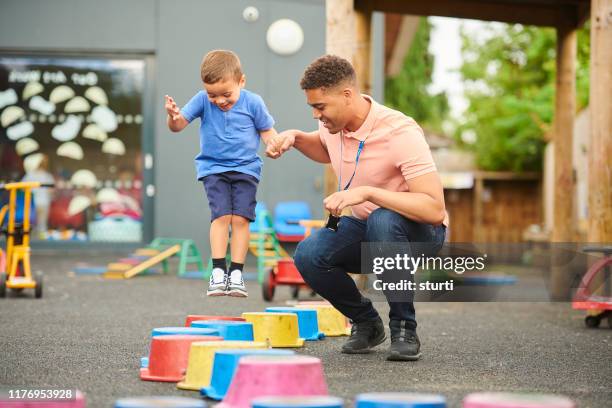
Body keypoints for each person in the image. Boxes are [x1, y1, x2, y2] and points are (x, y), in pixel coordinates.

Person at [272, 55, 448, 361]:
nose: (316, 115)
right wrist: (297, 139)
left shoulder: (399, 132)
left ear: (347, 95)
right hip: (372, 230)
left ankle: (404, 327)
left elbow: (433, 209)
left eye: (320, 107)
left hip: (420, 233)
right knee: (310, 254)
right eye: (312, 107)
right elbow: (324, 147)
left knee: (382, 218)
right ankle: (367, 323)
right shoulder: (332, 126)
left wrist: (367, 192)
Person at [165, 50, 280, 297]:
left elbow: (268, 131)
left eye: (226, 94)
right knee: (221, 217)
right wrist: (173, 117)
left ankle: (236, 273)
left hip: (246, 169)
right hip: (213, 168)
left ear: (242, 82)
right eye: (212, 95)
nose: (219, 100)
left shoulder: (254, 102)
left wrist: (274, 144)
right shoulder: (201, 100)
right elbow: (178, 126)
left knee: (240, 220)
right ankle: (218, 272)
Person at [22, 153, 54, 239]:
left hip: (33, 202)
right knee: (42, 224)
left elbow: (22, 187)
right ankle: (41, 240)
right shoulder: (47, 176)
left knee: (31, 222)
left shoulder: (30, 175)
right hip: (43, 202)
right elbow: (51, 190)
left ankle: (32, 239)